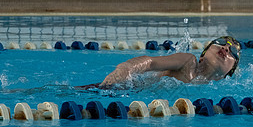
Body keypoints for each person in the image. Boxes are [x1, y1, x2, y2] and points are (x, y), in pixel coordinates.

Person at [76, 36, 241, 90]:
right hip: (119, 89)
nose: (226, 48)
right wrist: (125, 69)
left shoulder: (223, 90)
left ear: (230, 72)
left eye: (233, 51)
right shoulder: (188, 63)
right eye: (221, 42)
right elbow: (149, 63)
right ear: (203, 55)